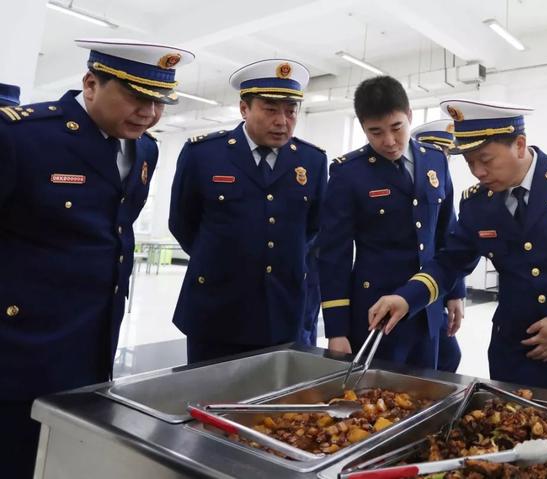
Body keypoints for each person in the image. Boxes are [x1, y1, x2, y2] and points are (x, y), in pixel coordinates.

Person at [0, 38, 193, 478]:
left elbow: (114, 229)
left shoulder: (146, 150)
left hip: (93, 344)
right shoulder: (22, 137)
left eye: (159, 100)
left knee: (61, 460)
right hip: (18, 347)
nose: (149, 112)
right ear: (90, 83)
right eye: (136, 95)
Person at [370, 99, 547, 400]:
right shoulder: (477, 204)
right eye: (469, 163)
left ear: (520, 145)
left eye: (486, 159)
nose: (478, 172)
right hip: (517, 360)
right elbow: (450, 262)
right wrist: (406, 297)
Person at [169, 59, 328, 363]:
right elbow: (182, 222)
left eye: (291, 111)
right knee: (210, 398)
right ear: (244, 108)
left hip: (281, 308)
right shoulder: (204, 154)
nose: (282, 121)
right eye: (270, 110)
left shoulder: (312, 161)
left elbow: (313, 227)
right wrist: (227, 258)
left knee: (274, 404)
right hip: (217, 307)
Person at [317, 76, 464, 368]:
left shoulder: (435, 160)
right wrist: (336, 331)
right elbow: (334, 255)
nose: (388, 141)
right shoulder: (349, 174)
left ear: (409, 116)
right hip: (377, 311)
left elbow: (448, 231)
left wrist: (455, 291)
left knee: (429, 392)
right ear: (363, 128)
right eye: (376, 132)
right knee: (378, 400)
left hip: (428, 305)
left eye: (397, 128)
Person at [411, 119, 463, 372]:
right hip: (402, 288)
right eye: (437, 150)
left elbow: (450, 240)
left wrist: (456, 294)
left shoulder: (441, 185)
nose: (442, 158)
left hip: (436, 288)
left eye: (447, 153)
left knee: (447, 357)